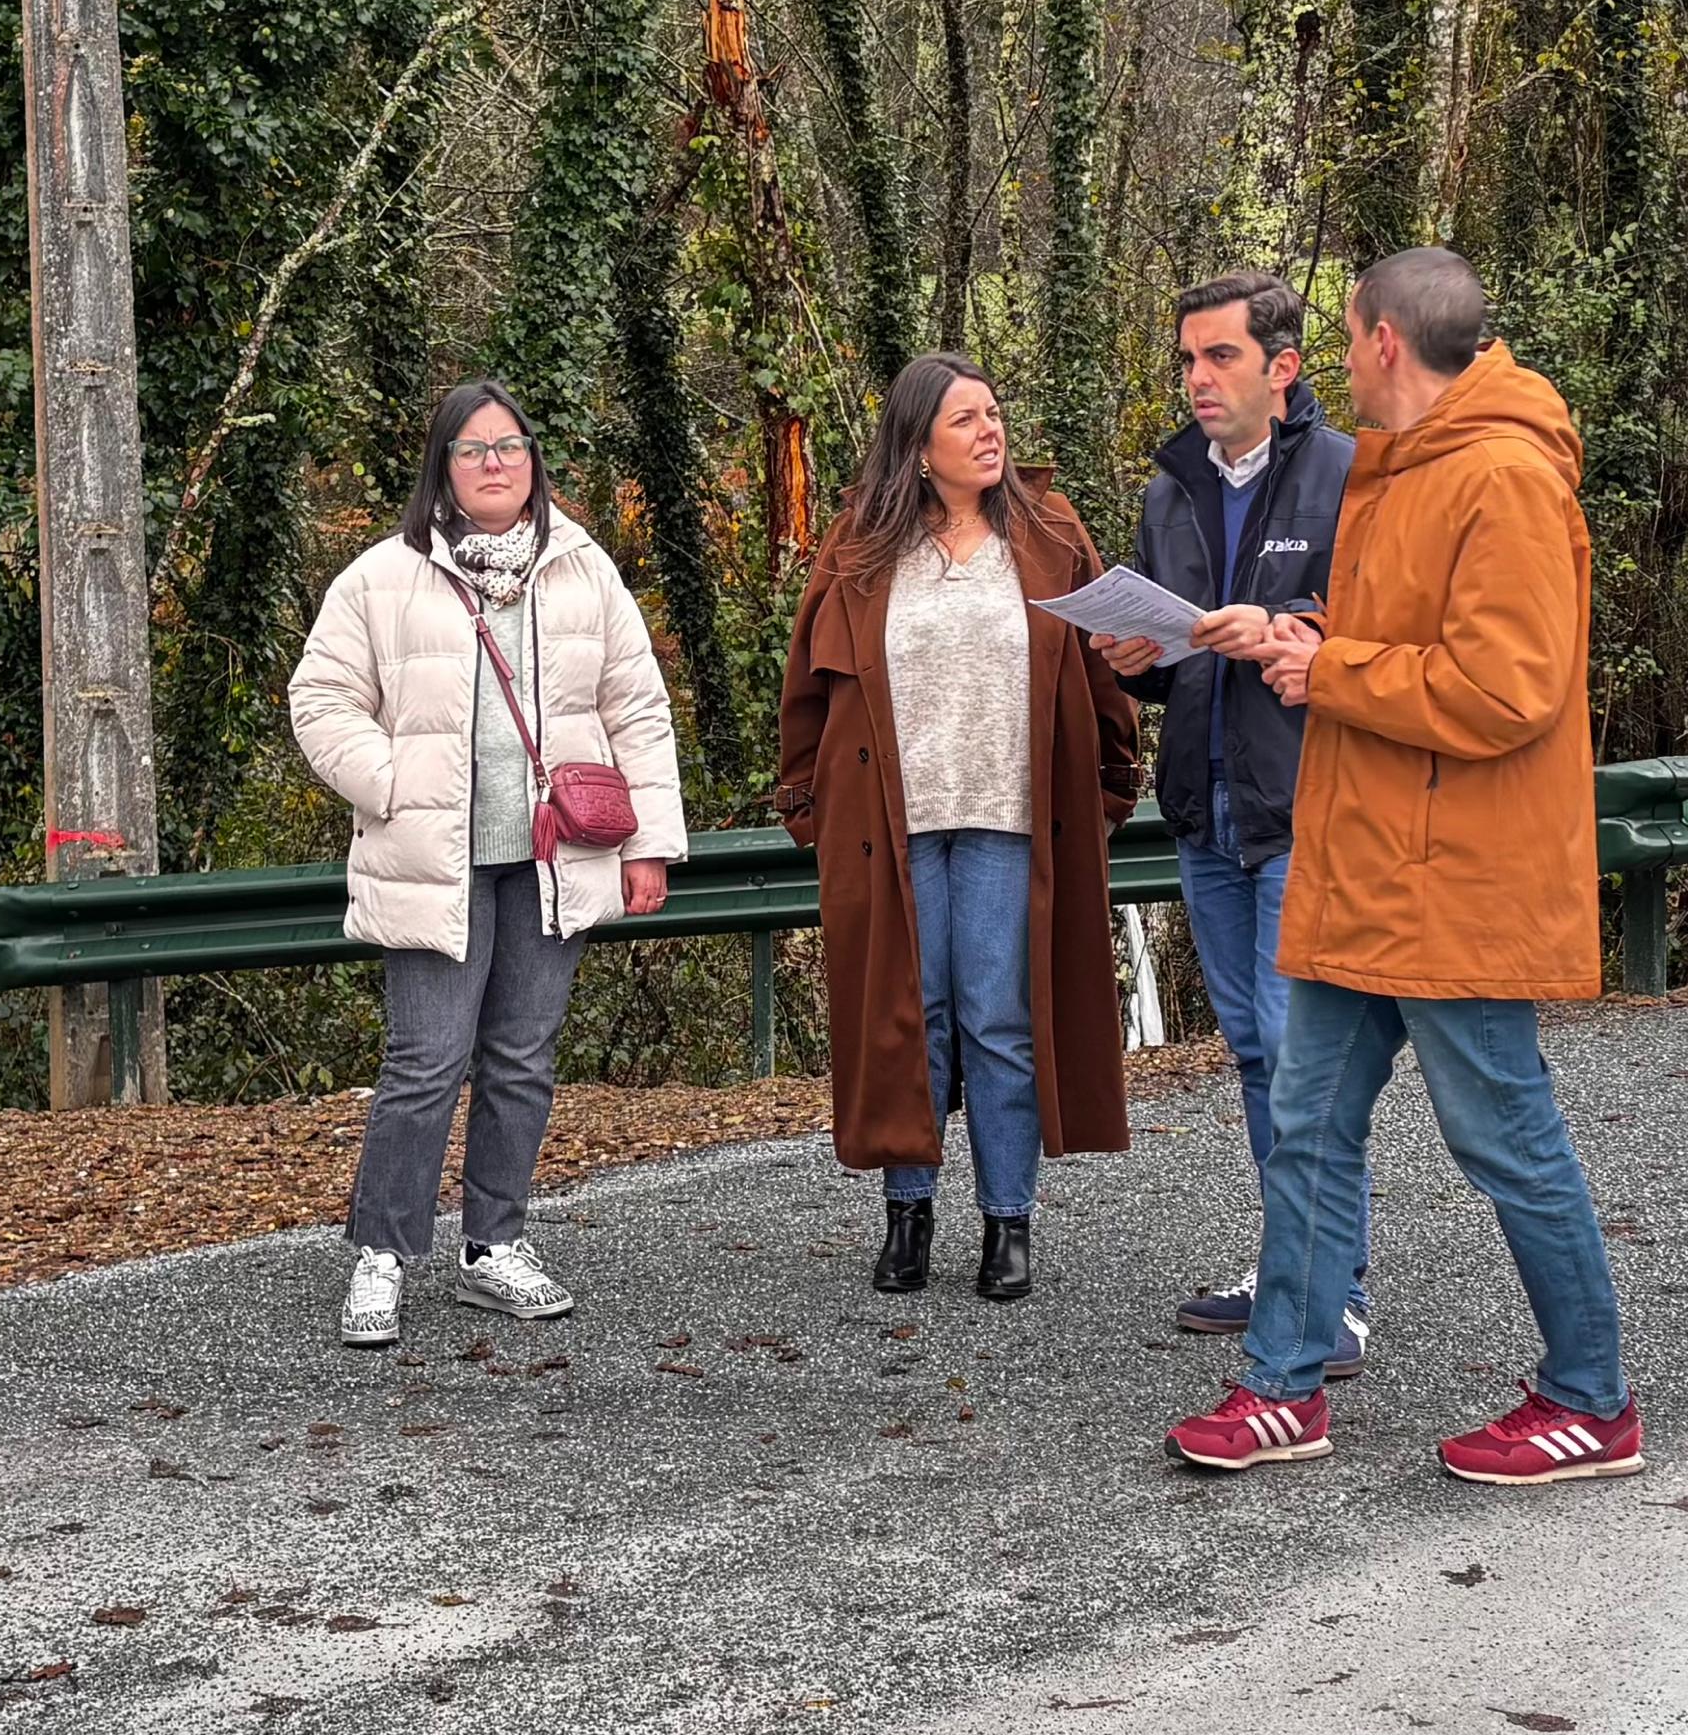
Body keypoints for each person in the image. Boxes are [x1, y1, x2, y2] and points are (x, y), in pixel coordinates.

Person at [1162, 249, 1643, 1485]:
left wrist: (1330, 671)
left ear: (1382, 340)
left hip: (1454, 881)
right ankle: (1284, 1384)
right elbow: (1406, 638)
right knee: (1307, 1123)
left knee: (1503, 1136)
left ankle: (1589, 1400)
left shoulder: (1502, 475)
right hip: (1366, 869)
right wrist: (1303, 635)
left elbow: (1506, 688)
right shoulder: (1406, 464)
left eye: (1343, 336)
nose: (1337, 357)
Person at [287, 383, 692, 1349]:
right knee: (425, 1062)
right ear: (443, 467)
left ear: (533, 460)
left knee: (521, 1060)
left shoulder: (584, 568)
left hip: (554, 859)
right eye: (472, 450)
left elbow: (638, 708)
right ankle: (383, 1253)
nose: (495, 463)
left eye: (510, 445)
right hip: (437, 864)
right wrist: (392, 783)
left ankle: (492, 1244)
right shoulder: (384, 577)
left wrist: (649, 843)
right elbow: (321, 699)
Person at [774, 354, 1144, 1302]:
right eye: (965, 420)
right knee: (912, 1019)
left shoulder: (1050, 530)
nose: (990, 432)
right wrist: (805, 799)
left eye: (994, 413)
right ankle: (909, 1214)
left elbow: (1101, 666)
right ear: (918, 445)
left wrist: (1110, 782)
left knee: (999, 1021)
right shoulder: (860, 543)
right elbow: (808, 686)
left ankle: (1007, 1221)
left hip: (1009, 820)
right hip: (889, 826)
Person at [1086, 268, 1366, 1371]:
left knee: (1303, 1058)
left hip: (1302, 808)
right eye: (1187, 360)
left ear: (1281, 367)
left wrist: (1294, 628)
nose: (1196, 379)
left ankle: (1335, 1294)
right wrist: (1135, 662)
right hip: (1203, 812)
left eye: (1219, 357)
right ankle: (1288, 1264)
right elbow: (1178, 658)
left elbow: (1378, 629)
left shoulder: (1346, 474)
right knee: (1252, 1052)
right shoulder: (1172, 490)